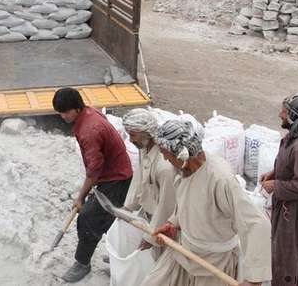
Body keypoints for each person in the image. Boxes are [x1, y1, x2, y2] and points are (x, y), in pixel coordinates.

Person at [142, 119, 271, 286]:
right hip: (183, 252)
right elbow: (189, 201)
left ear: (181, 153)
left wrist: (253, 280)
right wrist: (173, 223)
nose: (165, 159)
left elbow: (257, 224)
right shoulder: (184, 169)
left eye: (165, 153)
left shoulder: (220, 178)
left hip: (213, 264)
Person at [52, 87, 133, 283]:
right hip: (114, 174)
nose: (62, 116)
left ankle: (82, 263)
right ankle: (119, 257)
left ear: (77, 108)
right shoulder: (88, 114)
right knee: (110, 220)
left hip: (115, 179)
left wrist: (80, 198)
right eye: (60, 112)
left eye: (65, 112)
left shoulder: (90, 130)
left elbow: (93, 172)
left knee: (88, 219)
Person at [259, 95, 298, 286]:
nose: (280, 115)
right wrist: (274, 173)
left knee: (285, 261)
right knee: (290, 257)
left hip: (293, 211)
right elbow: (288, 167)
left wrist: (276, 185)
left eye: (284, 112)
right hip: (287, 206)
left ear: (293, 117)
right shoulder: (291, 140)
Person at [121, 108, 177, 259]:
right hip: (150, 216)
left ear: (147, 133)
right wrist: (127, 207)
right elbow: (139, 177)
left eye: (133, 135)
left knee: (165, 259)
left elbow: (167, 205)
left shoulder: (164, 165)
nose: (130, 140)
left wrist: (151, 237)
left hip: (166, 223)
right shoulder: (144, 148)